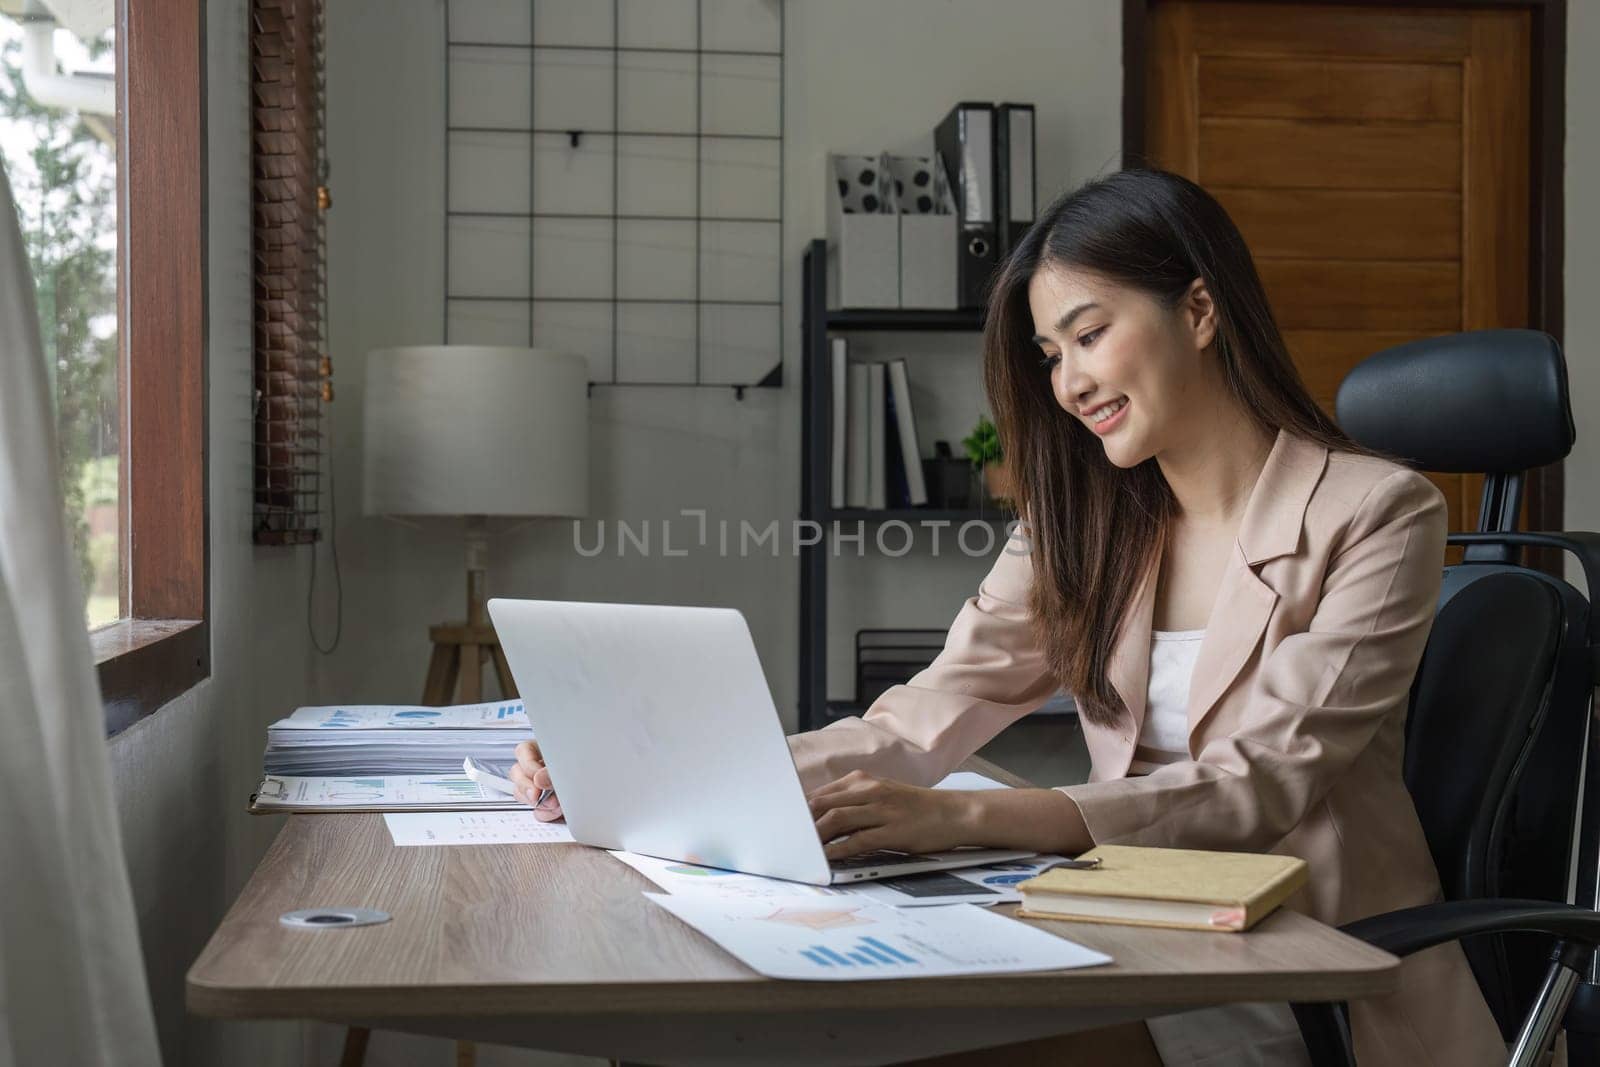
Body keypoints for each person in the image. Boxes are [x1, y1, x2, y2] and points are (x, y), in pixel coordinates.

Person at [510, 169, 1505, 1066]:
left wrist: (967, 813)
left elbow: (1260, 779)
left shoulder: (1376, 510)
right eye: (1049, 353)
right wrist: (656, 769)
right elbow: (919, 720)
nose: (1068, 383)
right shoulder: (1080, 521)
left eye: (1089, 332)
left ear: (1198, 308)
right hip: (1129, 913)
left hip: (1306, 955)